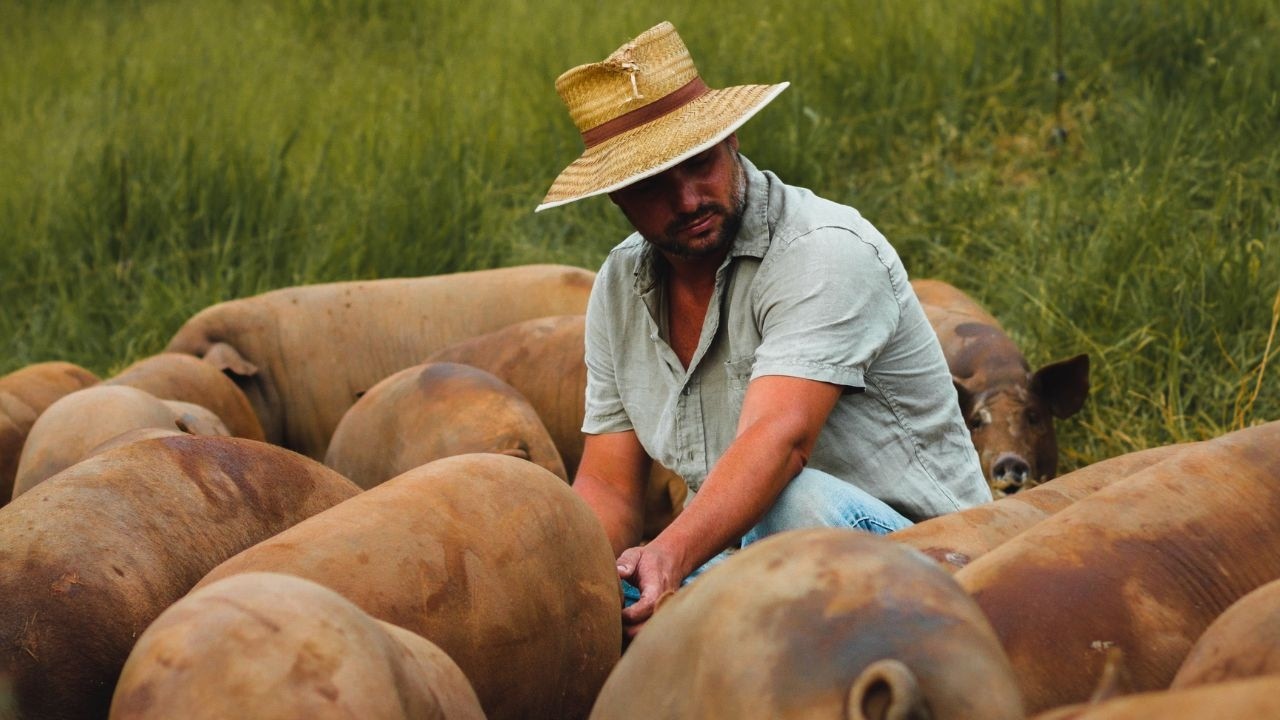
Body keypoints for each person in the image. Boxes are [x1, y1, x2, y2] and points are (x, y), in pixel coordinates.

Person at [535, 21, 990, 639]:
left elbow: (781, 442)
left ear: (731, 139)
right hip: (749, 552)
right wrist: (587, 580)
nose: (689, 199)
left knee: (788, 502)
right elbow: (610, 487)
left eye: (699, 164)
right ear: (616, 197)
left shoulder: (822, 251)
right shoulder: (620, 289)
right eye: (652, 186)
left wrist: (669, 556)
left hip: (929, 556)